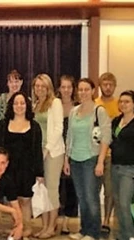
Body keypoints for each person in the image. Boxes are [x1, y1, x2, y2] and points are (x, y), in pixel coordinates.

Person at [64, 78, 111, 240]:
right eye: (80, 89)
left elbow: (106, 138)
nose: (83, 93)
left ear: (92, 91)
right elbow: (69, 136)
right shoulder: (73, 111)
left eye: (86, 89)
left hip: (91, 159)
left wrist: (100, 162)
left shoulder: (100, 111)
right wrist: (66, 160)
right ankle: (84, 229)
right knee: (82, 197)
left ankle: (93, 232)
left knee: (91, 197)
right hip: (75, 160)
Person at [0, 92, 43, 237]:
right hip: (8, 169)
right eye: (16, 103)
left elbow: (37, 151)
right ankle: (16, 227)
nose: (19, 106)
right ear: (11, 105)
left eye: (22, 103)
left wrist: (40, 173)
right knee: (12, 200)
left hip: (27, 169)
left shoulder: (34, 126)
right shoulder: (3, 125)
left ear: (27, 105)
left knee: (25, 200)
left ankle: (27, 227)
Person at [32, 73, 65, 239]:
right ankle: (44, 226)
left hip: (53, 153)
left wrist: (47, 149)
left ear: (49, 87)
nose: (39, 89)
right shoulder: (35, 105)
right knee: (42, 191)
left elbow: (59, 129)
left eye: (43, 86)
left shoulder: (55, 103)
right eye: (37, 86)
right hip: (38, 153)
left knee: (52, 190)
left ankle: (52, 226)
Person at [94, 72, 120, 236]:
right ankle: (95, 220)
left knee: (109, 190)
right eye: (105, 84)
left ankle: (106, 221)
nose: (108, 87)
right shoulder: (94, 104)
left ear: (114, 86)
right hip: (94, 154)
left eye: (111, 84)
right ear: (100, 86)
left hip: (112, 155)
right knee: (93, 190)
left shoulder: (120, 105)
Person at [110, 90, 134, 240]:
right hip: (115, 167)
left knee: (125, 203)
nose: (123, 104)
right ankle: (123, 234)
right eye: (121, 101)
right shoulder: (116, 121)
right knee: (118, 204)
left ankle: (130, 235)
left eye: (127, 101)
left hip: (130, 169)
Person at [57, 75, 78, 235]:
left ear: (73, 88)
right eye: (63, 87)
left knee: (70, 189)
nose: (66, 90)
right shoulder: (54, 105)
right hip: (57, 151)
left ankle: (66, 222)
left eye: (69, 87)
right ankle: (57, 221)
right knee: (57, 189)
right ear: (59, 88)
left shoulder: (78, 107)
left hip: (74, 152)